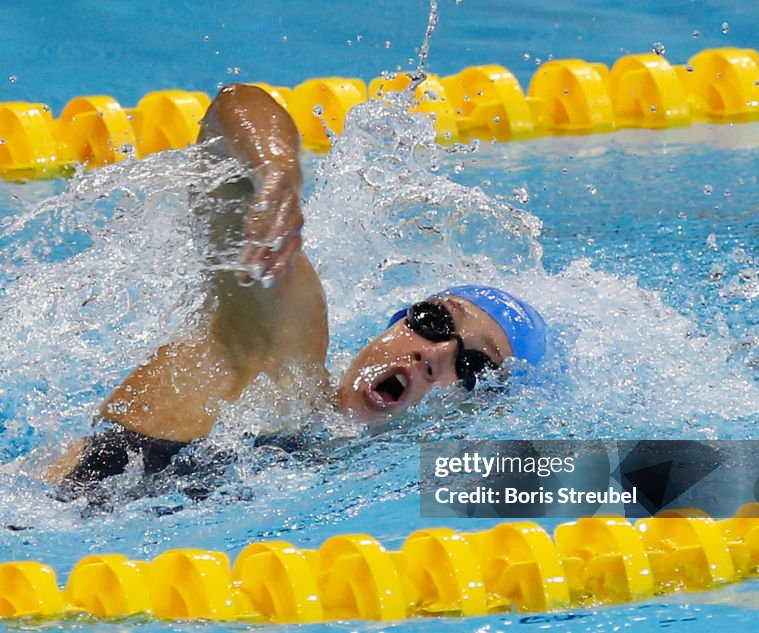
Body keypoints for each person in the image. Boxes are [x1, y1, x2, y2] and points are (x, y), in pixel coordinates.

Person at [46, 84, 546, 504]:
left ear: (476, 412)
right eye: (434, 321)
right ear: (393, 325)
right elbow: (232, 107)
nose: (433, 354)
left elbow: (615, 484)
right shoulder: (280, 362)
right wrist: (279, 172)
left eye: (475, 369)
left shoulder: (364, 473)